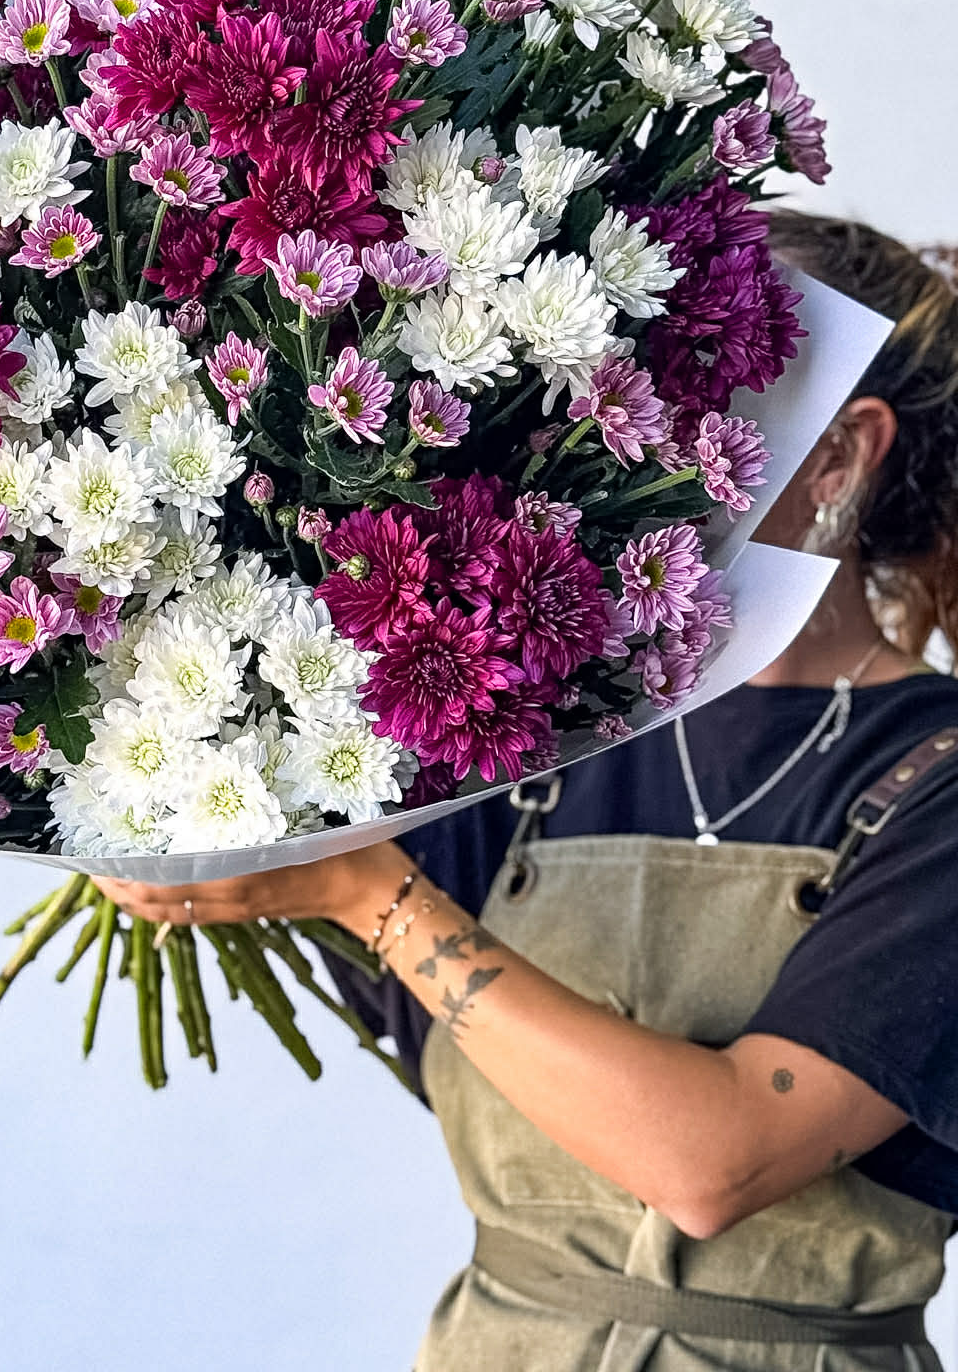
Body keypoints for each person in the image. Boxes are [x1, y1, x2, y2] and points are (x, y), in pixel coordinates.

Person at [98, 214, 958, 1370]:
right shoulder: (538, 721)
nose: (651, 421)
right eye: (646, 371)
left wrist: (370, 894)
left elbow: (722, 1161)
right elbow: (470, 1047)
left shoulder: (937, 783)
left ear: (847, 454)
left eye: (716, 384)